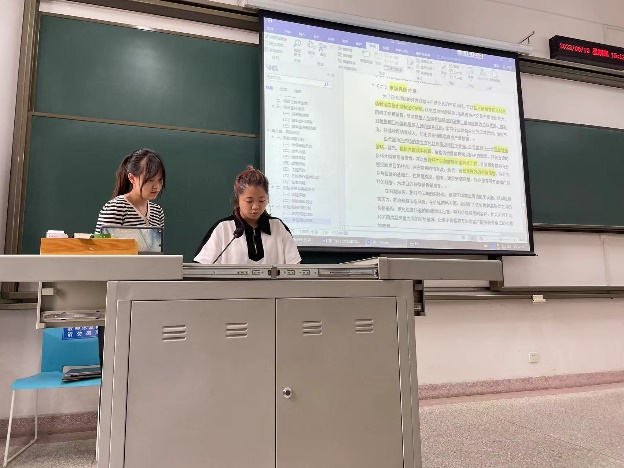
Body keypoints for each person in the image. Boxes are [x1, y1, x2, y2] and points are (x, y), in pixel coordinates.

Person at [95, 148, 166, 366]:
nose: (156, 186)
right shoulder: (116, 207)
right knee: (115, 364)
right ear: (132, 178)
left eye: (160, 180)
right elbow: (99, 253)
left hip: (146, 294)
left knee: (143, 363)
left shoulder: (157, 212)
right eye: (150, 180)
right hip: (116, 295)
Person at [194, 165, 300, 265]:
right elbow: (203, 268)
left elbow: (295, 268)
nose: (256, 206)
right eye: (249, 201)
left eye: (261, 200)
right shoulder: (223, 228)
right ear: (238, 199)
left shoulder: (278, 227)